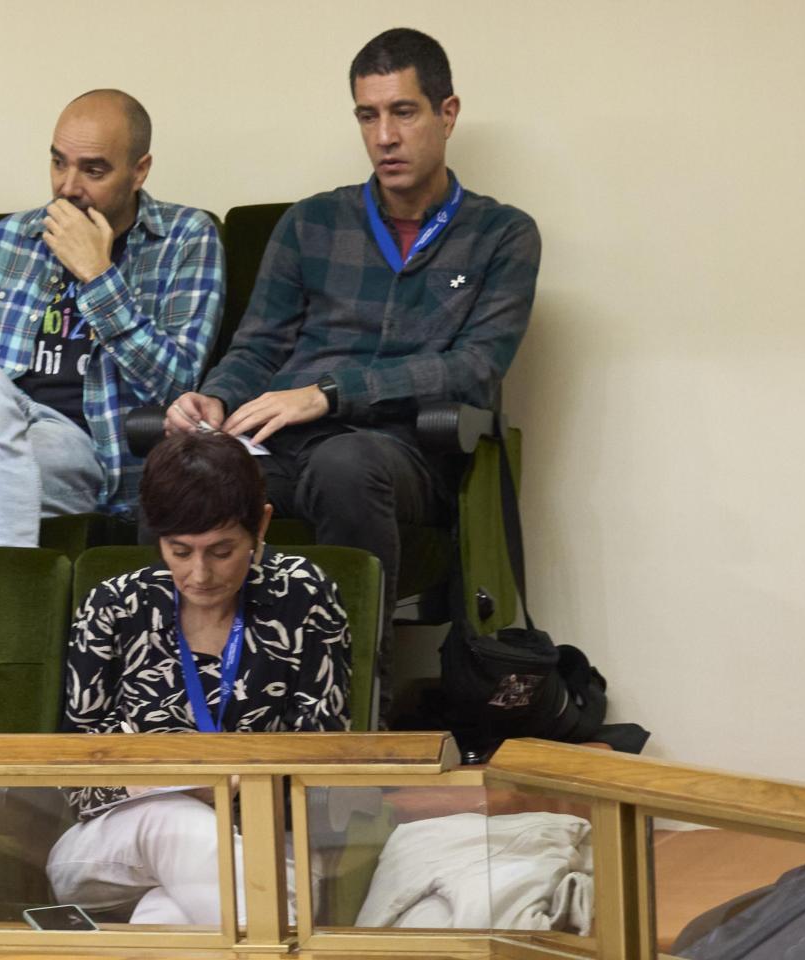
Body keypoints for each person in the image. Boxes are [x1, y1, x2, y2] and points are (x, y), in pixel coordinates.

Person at [167, 28, 541, 714]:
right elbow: (257, 347)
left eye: (404, 112)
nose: (385, 136)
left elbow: (475, 366)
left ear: (447, 113)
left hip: (409, 454)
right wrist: (213, 400)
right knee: (182, 473)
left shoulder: (502, 235)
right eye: (369, 116)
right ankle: (176, 703)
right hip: (288, 444)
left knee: (346, 462)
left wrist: (331, 394)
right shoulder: (311, 224)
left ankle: (354, 708)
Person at [0, 89, 224, 546]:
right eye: (58, 163)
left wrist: (98, 275)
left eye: (93, 170)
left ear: (139, 171)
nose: (68, 186)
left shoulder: (186, 238)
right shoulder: (4, 241)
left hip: (79, 451)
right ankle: (11, 583)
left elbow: (176, 382)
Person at [48, 430, 350, 925]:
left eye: (222, 550)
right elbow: (74, 772)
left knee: (168, 919)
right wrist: (172, 784)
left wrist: (238, 786)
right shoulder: (114, 605)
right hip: (112, 847)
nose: (200, 574)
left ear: (262, 526)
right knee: (172, 820)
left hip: (268, 841)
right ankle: (272, 934)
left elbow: (326, 758)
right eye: (180, 550)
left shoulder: (305, 596)